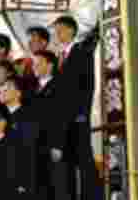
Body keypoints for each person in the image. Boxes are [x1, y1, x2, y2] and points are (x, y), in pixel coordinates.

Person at [52, 15, 100, 200]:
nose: (57, 34)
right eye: (56, 31)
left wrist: (83, 112)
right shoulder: (58, 57)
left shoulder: (81, 52)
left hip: (78, 116)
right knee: (68, 162)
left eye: (60, 30)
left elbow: (87, 85)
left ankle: (93, 196)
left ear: (71, 30)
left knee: (84, 158)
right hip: (62, 119)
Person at [31, 49, 68, 200]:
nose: (34, 67)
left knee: (56, 187)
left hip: (52, 145)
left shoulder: (60, 86)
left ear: (50, 65)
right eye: (33, 64)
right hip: (36, 145)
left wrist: (58, 144)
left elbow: (61, 117)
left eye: (38, 63)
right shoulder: (34, 89)